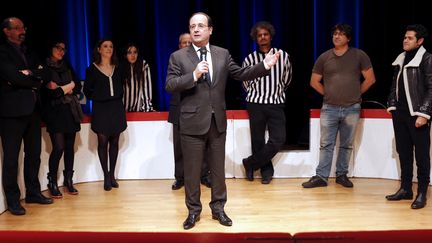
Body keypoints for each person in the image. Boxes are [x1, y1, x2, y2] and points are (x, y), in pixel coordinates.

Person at [165, 12, 281, 230]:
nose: (196, 29)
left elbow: (241, 73)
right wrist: (194, 76)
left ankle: (218, 209)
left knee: (218, 170)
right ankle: (193, 211)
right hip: (191, 124)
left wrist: (264, 66)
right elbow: (170, 85)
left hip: (217, 122)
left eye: (201, 25)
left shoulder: (222, 54)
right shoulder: (178, 57)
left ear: (210, 30)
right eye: (192, 26)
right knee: (191, 171)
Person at [302, 23, 375, 189]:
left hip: (352, 108)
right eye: (334, 33)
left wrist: (356, 94)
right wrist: (328, 94)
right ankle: (321, 176)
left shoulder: (359, 55)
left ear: (348, 38)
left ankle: (342, 175)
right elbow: (314, 81)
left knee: (346, 144)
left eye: (341, 34)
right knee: (326, 144)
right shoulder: (324, 57)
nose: (336, 36)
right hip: (329, 108)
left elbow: (370, 79)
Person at [0, 17, 53, 216]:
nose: (23, 30)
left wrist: (28, 75)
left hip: (33, 111)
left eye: (23, 27)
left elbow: (45, 73)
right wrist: (32, 78)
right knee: (12, 158)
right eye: (18, 28)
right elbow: (11, 76)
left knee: (34, 156)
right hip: (11, 113)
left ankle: (32, 192)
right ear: (7, 31)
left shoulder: (30, 51)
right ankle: (13, 200)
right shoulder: (2, 52)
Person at [386, 24, 432, 209]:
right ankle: (406, 189)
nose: (405, 40)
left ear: (420, 41)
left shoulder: (427, 59)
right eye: (405, 37)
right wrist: (392, 106)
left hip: (417, 115)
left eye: (410, 38)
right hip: (400, 114)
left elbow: (431, 88)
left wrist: (425, 114)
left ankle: (422, 192)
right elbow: (394, 85)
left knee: (421, 156)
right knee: (403, 153)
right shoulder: (401, 58)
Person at [241, 21, 292, 184]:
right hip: (255, 103)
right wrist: (256, 93)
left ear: (270, 36)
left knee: (278, 139)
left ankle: (250, 163)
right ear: (255, 38)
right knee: (257, 139)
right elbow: (245, 82)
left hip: (276, 102)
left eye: (265, 34)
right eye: (259, 35)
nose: (262, 37)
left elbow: (287, 79)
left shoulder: (282, 55)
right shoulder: (250, 58)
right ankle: (266, 171)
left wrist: (275, 91)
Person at [168, 33, 211, 191]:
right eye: (183, 43)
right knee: (179, 147)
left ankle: (204, 175)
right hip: (179, 108)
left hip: (199, 109)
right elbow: (171, 84)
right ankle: (180, 178)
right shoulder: (176, 59)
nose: (186, 45)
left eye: (189, 42)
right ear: (179, 45)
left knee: (203, 144)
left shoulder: (201, 59)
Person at [41, 41, 83, 198]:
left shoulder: (67, 66)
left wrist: (61, 88)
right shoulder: (44, 67)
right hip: (54, 112)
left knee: (69, 148)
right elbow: (50, 93)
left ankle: (68, 180)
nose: (61, 51)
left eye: (64, 49)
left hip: (70, 111)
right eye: (58, 48)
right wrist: (67, 87)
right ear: (51, 48)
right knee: (58, 147)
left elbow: (77, 86)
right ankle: (52, 181)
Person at [84, 39, 127, 191]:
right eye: (105, 46)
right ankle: (106, 177)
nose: (109, 49)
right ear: (99, 49)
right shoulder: (92, 69)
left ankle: (112, 175)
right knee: (103, 142)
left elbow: (122, 85)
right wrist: (99, 96)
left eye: (111, 46)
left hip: (116, 108)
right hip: (101, 109)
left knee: (114, 142)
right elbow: (87, 91)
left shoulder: (118, 68)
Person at [121, 43, 154, 112]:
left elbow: (146, 88)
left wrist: (147, 108)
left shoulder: (143, 66)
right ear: (125, 55)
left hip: (138, 110)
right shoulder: (120, 67)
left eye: (135, 52)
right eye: (129, 52)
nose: (133, 55)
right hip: (122, 110)